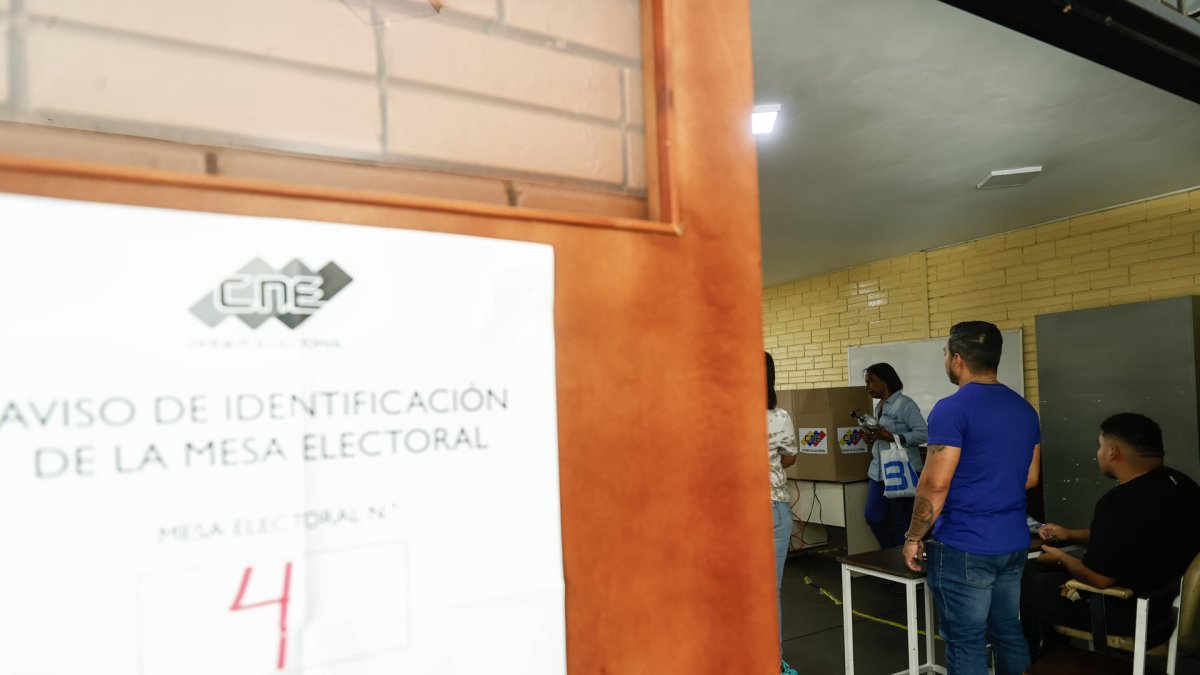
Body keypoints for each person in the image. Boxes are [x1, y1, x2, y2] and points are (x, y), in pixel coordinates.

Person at [902, 321, 1042, 675]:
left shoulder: (952, 409)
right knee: (1008, 632)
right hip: (1013, 543)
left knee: (966, 641)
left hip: (965, 545)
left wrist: (914, 536)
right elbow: (1030, 477)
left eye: (946, 353)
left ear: (957, 359)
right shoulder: (1025, 409)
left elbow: (935, 484)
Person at [1021, 413, 1200, 662]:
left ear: (1113, 452)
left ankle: (1037, 662)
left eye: (1100, 446)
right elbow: (1129, 535)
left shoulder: (1121, 502)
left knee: (1030, 579)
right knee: (1043, 575)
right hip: (1162, 608)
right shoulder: (1181, 485)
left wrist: (1060, 557)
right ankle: (1055, 658)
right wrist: (1070, 534)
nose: (1099, 453)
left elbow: (1098, 578)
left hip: (1123, 613)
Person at [861, 363, 928, 548]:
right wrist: (873, 437)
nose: (867, 387)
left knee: (901, 522)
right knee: (873, 517)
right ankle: (891, 553)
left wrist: (892, 437)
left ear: (885, 382)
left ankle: (901, 560)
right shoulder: (879, 407)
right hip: (879, 472)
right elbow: (883, 435)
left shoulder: (905, 404)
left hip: (903, 472)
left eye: (870, 381)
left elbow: (924, 434)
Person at [765, 352, 800, 675]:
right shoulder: (779, 417)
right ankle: (771, 663)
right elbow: (789, 457)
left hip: (731, 513)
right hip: (773, 506)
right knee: (768, 591)